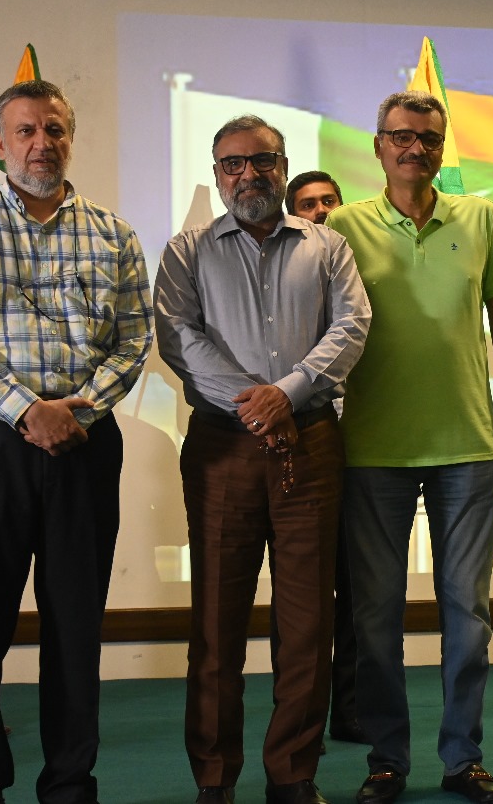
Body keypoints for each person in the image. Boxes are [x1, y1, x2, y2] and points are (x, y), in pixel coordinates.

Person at [0, 79, 154, 804]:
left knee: (76, 625)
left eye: (54, 129)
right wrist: (27, 410)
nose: (40, 143)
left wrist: (79, 411)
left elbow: (134, 339)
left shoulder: (114, 234)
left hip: (84, 443)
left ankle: (69, 784)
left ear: (70, 139)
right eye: (24, 130)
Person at [324, 91, 493, 804]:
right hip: (371, 451)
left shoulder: (480, 218)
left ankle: (462, 758)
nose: (416, 148)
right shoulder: (342, 226)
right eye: (402, 137)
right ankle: (387, 760)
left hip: (468, 449)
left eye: (430, 139)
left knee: (467, 618)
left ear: (443, 149)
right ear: (378, 146)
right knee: (374, 621)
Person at [155, 115, 370, 804]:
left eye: (262, 160)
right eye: (233, 163)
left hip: (311, 440)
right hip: (223, 446)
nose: (248, 174)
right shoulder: (187, 250)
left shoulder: (328, 245)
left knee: (307, 623)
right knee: (217, 621)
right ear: (217, 173)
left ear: (282, 164)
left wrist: (287, 394)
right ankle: (215, 778)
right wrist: (257, 406)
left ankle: (293, 774)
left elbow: (352, 325)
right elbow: (177, 336)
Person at [283, 169, 364, 748]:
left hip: (358, 446)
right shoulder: (287, 277)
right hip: (303, 437)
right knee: (309, 592)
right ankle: (300, 711)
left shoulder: (354, 270)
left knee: (357, 585)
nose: (320, 211)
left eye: (329, 201)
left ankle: (354, 708)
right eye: (308, 204)